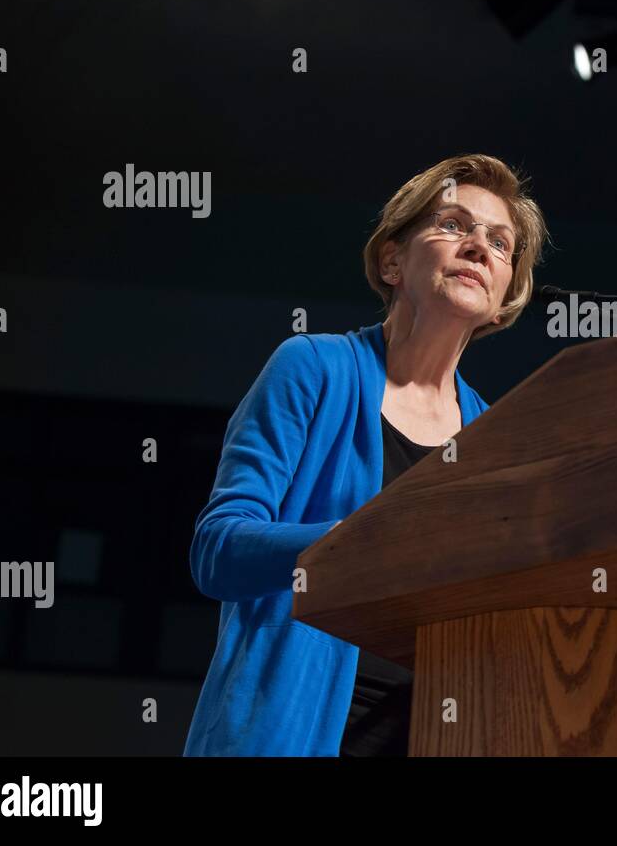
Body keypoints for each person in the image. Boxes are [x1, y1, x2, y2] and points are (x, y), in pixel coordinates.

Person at [183, 154, 549, 756]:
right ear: (392, 259)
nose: (480, 248)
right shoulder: (312, 368)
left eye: (501, 243)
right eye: (454, 224)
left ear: (506, 295)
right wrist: (367, 540)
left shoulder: (495, 436)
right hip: (286, 737)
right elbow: (217, 550)